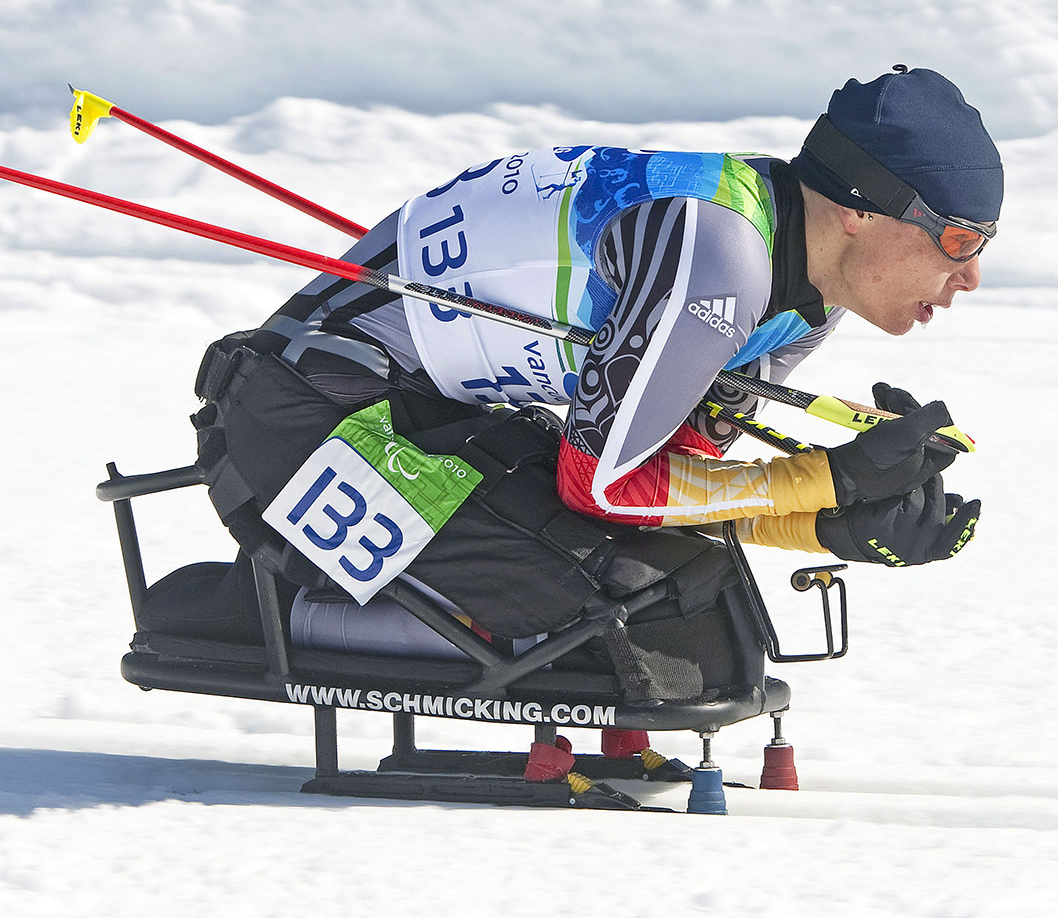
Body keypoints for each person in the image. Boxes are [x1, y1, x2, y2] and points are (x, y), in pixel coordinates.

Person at [187, 65, 1000, 679]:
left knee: (659, 581)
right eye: (959, 240)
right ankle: (280, 615)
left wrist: (829, 519)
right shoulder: (722, 254)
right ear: (859, 208)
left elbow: (658, 484)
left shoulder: (804, 297)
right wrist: (824, 480)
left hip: (417, 413)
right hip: (294, 414)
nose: (969, 277)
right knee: (613, 599)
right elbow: (605, 488)